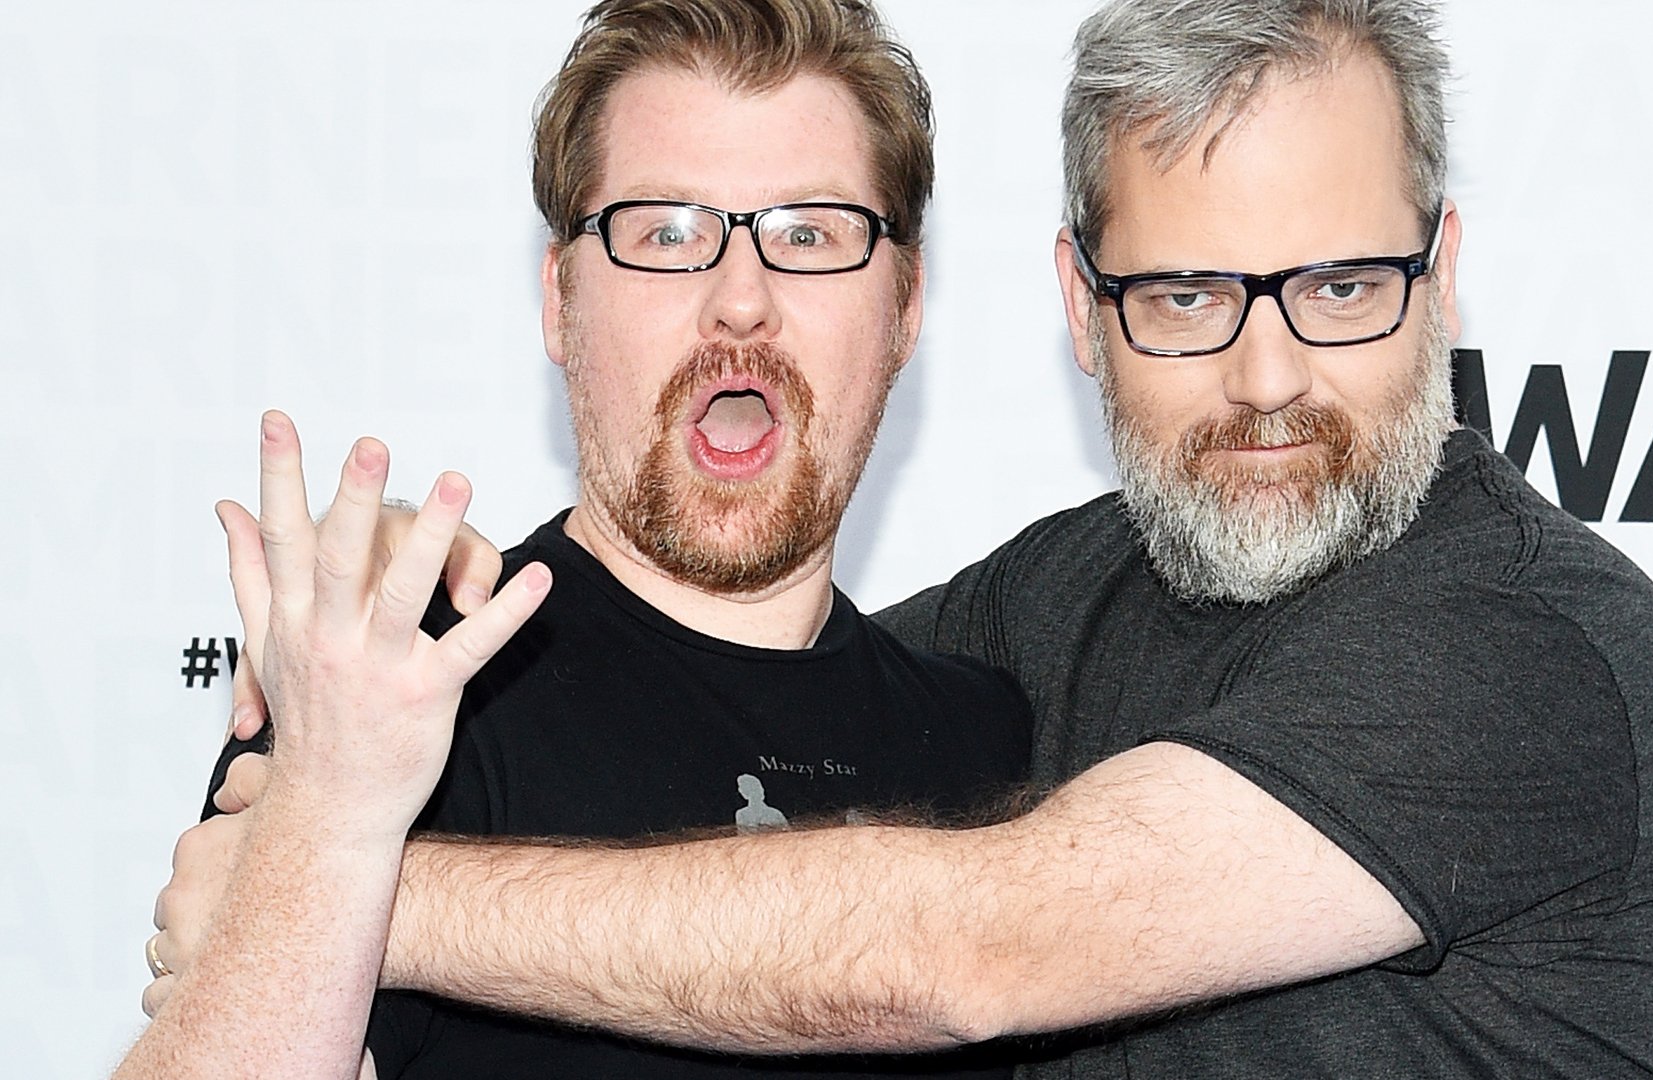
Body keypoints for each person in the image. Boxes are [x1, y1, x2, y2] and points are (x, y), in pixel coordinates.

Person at [131, 0, 1653, 1076]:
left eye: (1341, 286)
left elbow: (967, 947)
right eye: (1187, 293)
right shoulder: (1019, 634)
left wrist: (350, 892)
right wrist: (323, 831)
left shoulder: (1525, 649)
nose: (1269, 377)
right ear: (1078, 302)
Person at [118, 2, 1033, 1077]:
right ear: (559, 300)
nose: (741, 301)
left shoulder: (1000, 744)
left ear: (908, 307)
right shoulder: (409, 692)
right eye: (667, 232)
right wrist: (325, 824)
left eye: (808, 233)